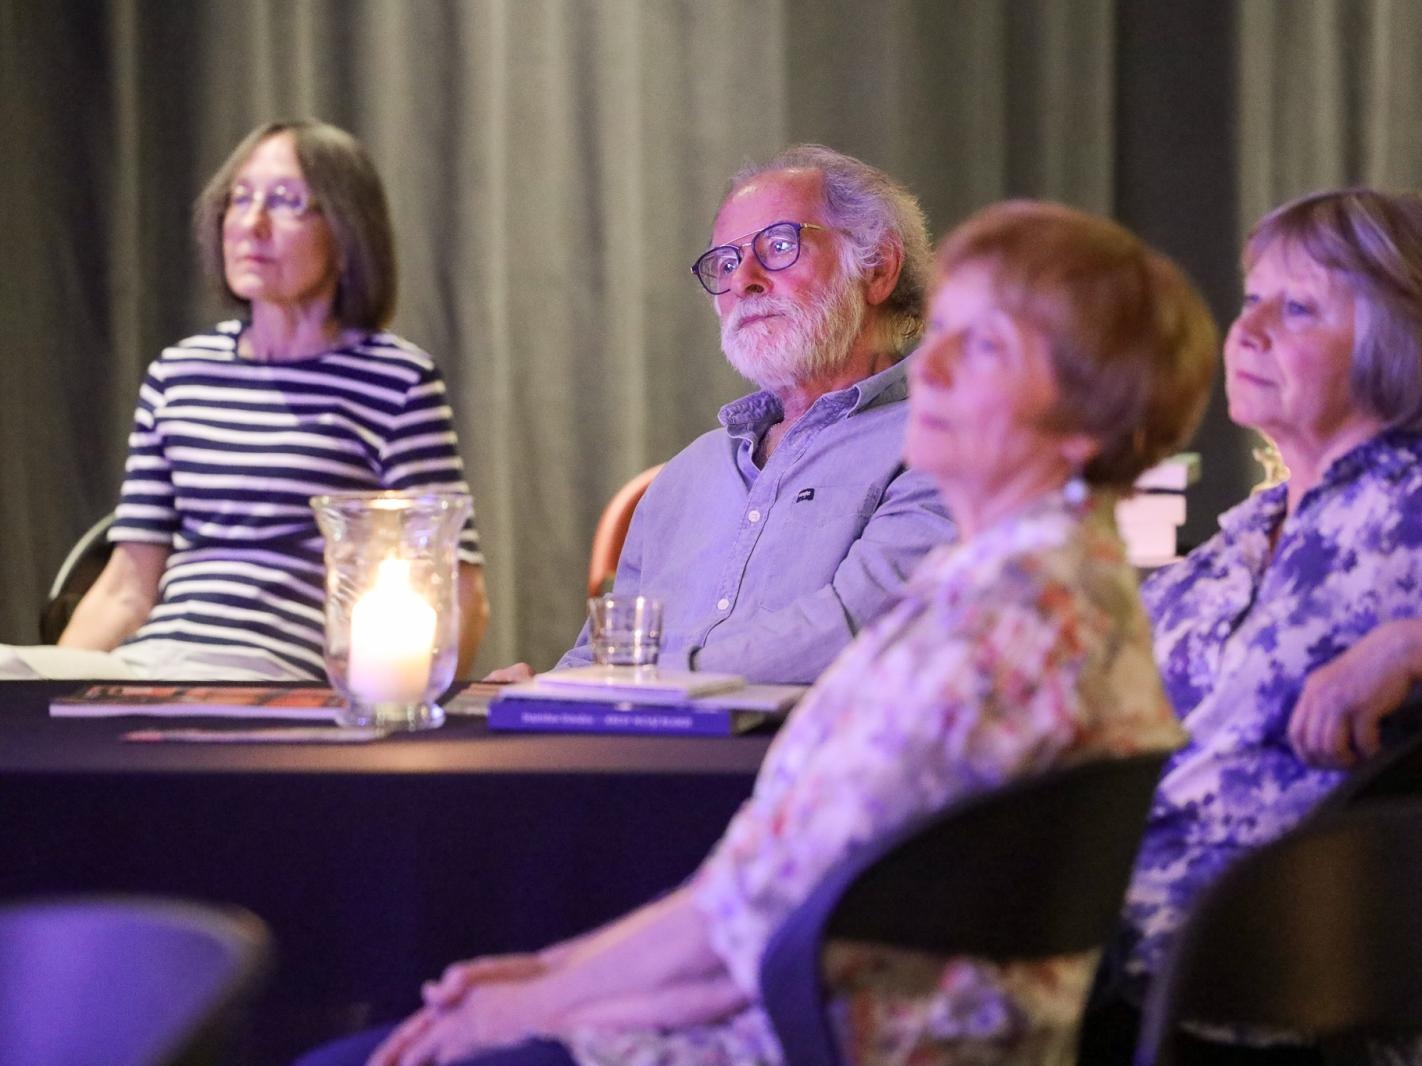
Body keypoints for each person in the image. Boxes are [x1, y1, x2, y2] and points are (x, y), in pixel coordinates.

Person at [293, 199, 1217, 1066]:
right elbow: (755, 880)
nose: (929, 365)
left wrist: (534, 1003)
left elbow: (756, 929)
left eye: (981, 349)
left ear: (1092, 411)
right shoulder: (1033, 579)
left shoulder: (1016, 614)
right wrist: (550, 977)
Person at [1080, 188, 1422, 1064]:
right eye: (1251, 302)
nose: (1246, 333)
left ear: (1400, 340)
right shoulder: (1240, 540)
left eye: (1298, 309)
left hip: (1290, 968)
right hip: (1124, 928)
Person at [14, 119, 488, 681]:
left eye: (286, 202)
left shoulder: (396, 380)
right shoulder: (179, 373)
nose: (251, 224)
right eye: (240, 199)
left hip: (273, 677)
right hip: (149, 666)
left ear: (346, 234)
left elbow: (459, 587)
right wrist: (57, 693)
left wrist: (409, 706)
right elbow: (125, 586)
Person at [493, 145, 953, 685]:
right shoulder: (684, 477)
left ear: (878, 269)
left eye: (779, 246)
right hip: (641, 761)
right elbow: (607, 661)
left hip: (796, 763)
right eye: (727, 262)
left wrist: (647, 678)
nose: (743, 281)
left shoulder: (944, 443)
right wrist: (537, 693)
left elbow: (862, 630)